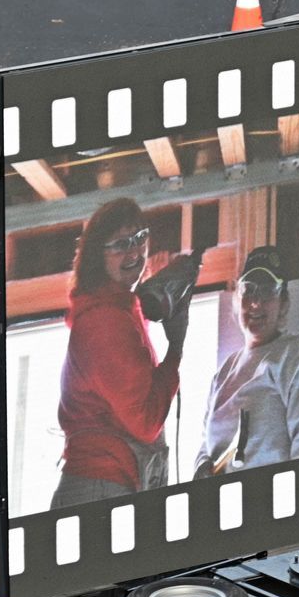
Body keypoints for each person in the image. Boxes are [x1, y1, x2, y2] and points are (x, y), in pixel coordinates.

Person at [52, 198, 188, 507]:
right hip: (100, 487)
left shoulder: (117, 310)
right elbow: (145, 421)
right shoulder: (106, 321)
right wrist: (176, 350)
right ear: (96, 257)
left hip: (106, 484)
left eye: (140, 238)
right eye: (120, 244)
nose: (135, 252)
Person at [194, 246, 299, 475]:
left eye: (268, 290)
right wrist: (201, 467)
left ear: (284, 302)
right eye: (249, 290)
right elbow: (206, 443)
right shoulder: (223, 372)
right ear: (237, 297)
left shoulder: (297, 355)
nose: (256, 303)